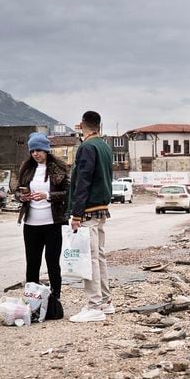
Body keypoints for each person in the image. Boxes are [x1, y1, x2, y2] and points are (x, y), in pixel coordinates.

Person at [68, 110, 116, 322]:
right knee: (99, 256)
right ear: (99, 125)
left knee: (91, 258)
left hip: (88, 210)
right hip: (101, 207)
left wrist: (76, 213)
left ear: (81, 125)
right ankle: (105, 301)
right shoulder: (104, 146)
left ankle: (94, 305)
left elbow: (82, 181)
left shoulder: (87, 147)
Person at [16, 133, 70, 320]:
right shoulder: (26, 168)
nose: (35, 154)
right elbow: (16, 190)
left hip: (53, 222)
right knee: (32, 262)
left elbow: (67, 193)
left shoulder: (58, 168)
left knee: (52, 262)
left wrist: (47, 196)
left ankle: (55, 300)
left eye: (38, 150)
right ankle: (31, 301)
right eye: (32, 151)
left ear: (46, 150)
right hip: (31, 223)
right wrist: (21, 197)